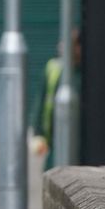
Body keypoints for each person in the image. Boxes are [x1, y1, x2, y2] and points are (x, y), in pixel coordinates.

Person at [33, 28, 81, 170]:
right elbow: (41, 103)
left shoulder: (87, 73)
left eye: (68, 43)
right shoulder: (54, 69)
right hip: (55, 142)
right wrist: (39, 134)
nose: (60, 46)